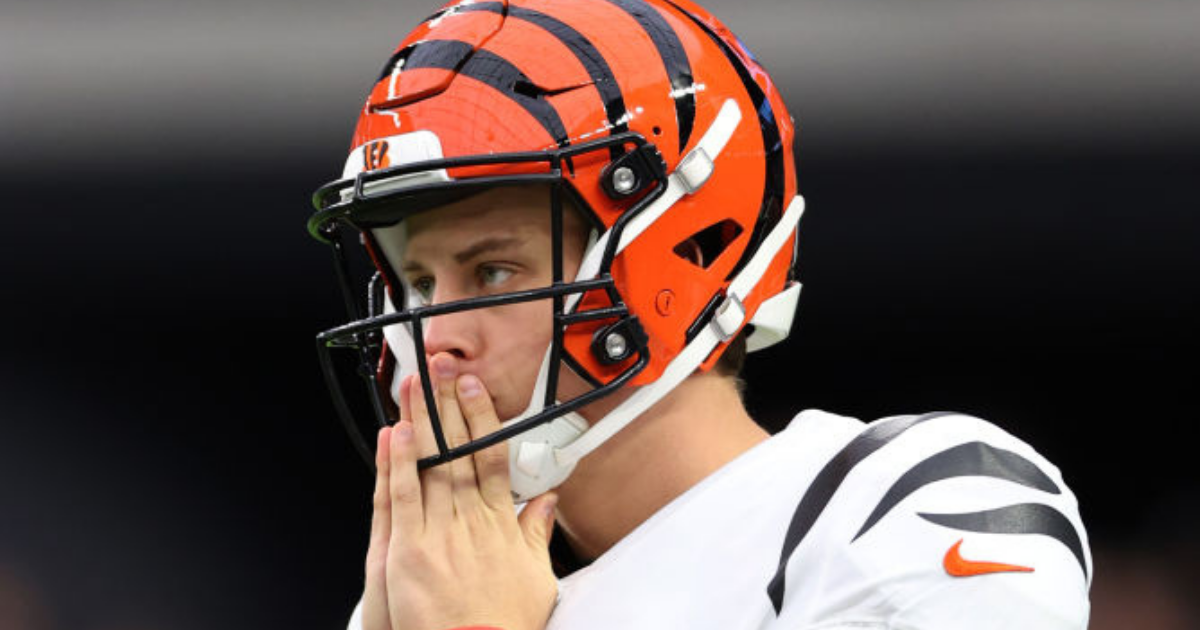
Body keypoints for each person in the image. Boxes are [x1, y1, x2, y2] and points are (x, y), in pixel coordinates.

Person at [307, 1, 1092, 628]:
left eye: (492, 269)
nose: (435, 337)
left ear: (677, 256)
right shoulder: (424, 598)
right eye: (416, 284)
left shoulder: (903, 503)